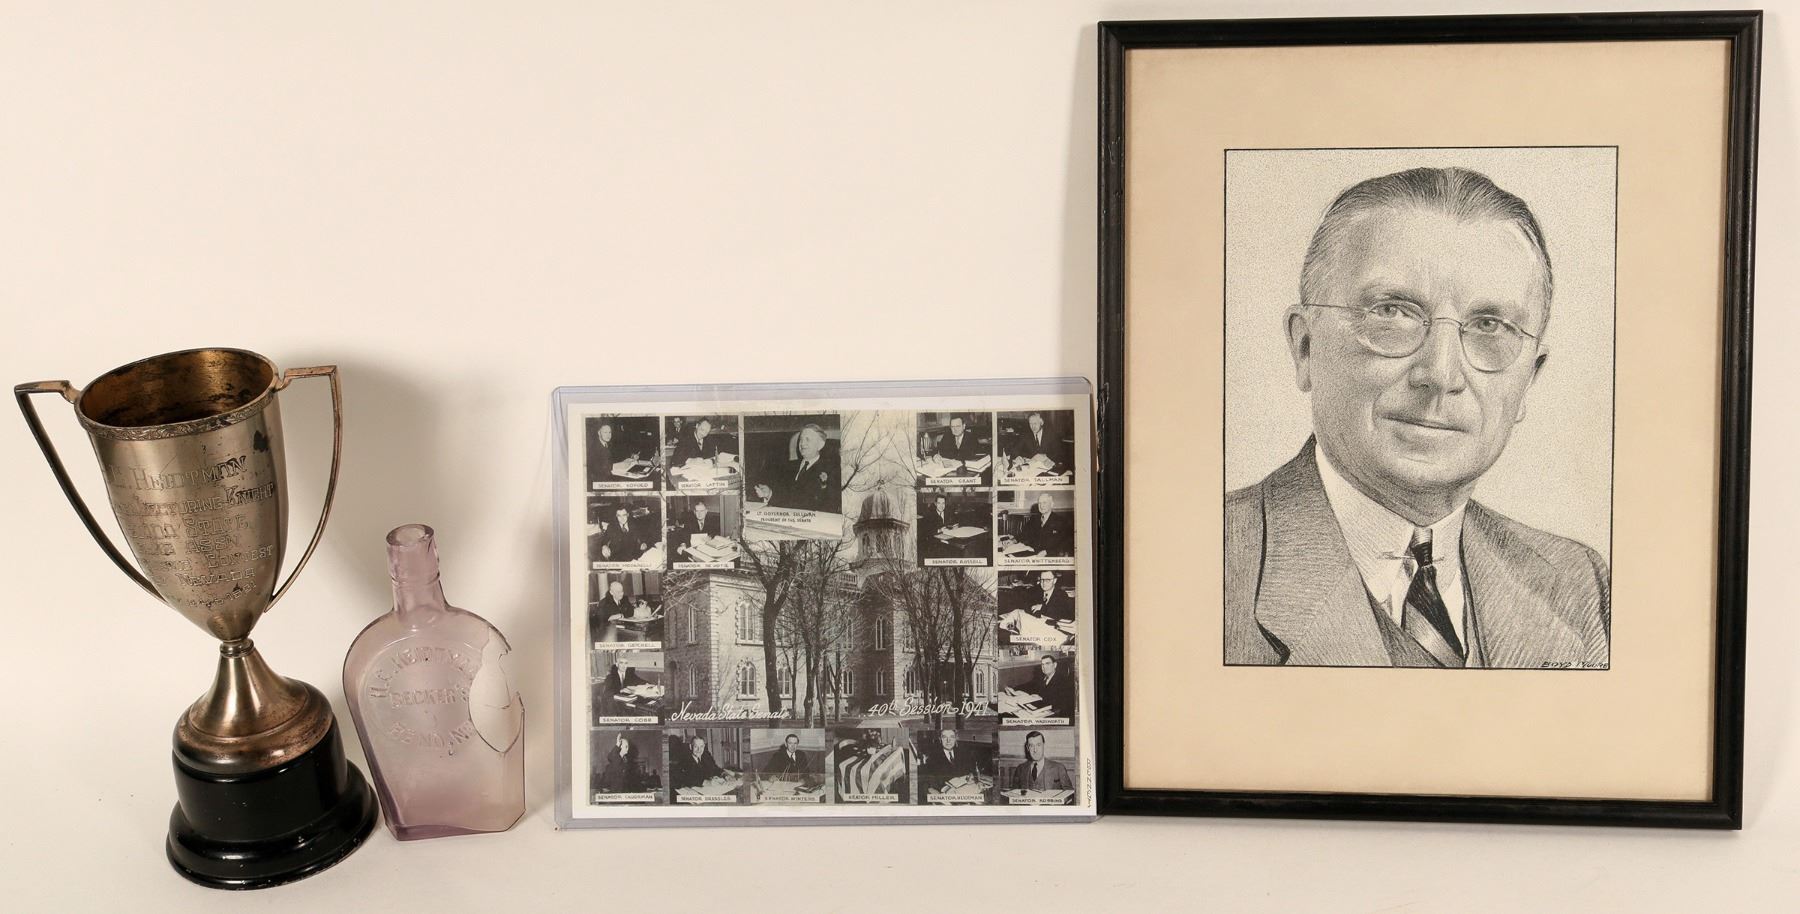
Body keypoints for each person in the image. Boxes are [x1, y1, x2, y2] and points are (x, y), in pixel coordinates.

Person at [1226, 167, 1609, 669]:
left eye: (1489, 325)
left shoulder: (1578, 585)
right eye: (1392, 312)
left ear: (1528, 380)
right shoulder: (1201, 562)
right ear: (1305, 347)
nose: (1441, 374)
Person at [754, 423, 839, 513]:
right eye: (801, 439)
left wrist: (773, 496)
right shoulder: (788, 466)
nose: (802, 443)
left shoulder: (831, 470)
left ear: (820, 445)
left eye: (807, 439)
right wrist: (769, 493)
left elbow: (823, 505)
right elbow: (783, 494)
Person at [1016, 493, 1072, 557]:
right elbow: (1025, 533)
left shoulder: (1060, 521)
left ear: (1051, 504)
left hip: (1050, 555)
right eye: (1039, 503)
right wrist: (1014, 540)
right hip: (1033, 553)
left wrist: (1047, 552)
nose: (1041, 506)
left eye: (1044, 503)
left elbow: (1064, 543)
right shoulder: (1034, 519)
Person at [1021, 654, 1074, 719]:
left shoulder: (1063, 681)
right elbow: (1029, 685)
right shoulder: (1041, 677)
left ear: (1055, 665)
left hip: (1053, 714)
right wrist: (1013, 689)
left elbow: (1060, 701)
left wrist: (1041, 698)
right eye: (1042, 664)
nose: (1044, 667)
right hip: (1039, 708)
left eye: (1047, 663)